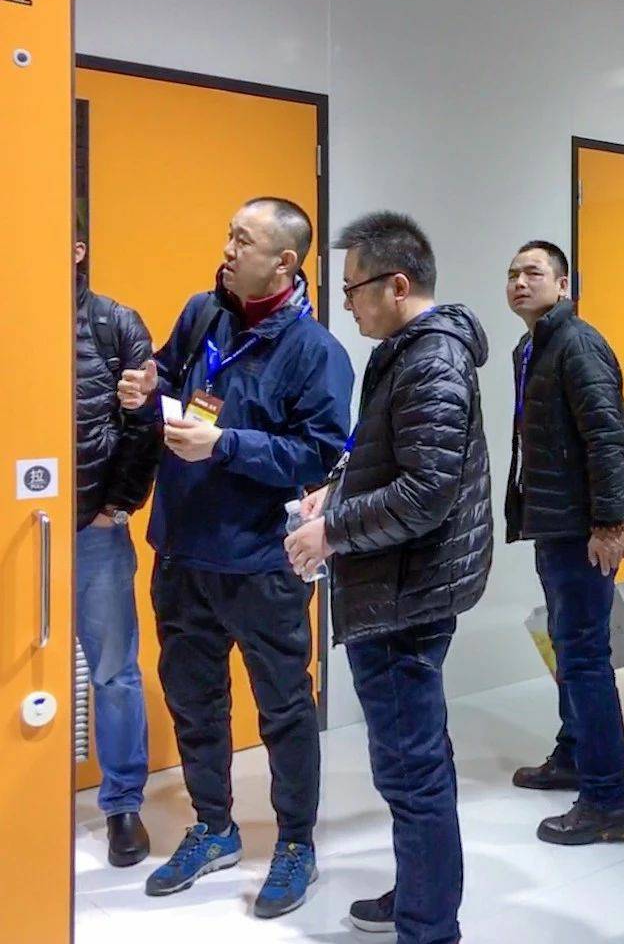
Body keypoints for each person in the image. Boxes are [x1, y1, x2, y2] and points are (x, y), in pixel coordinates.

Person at [117, 197, 354, 917]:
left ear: (284, 262)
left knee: (283, 707)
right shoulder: (203, 313)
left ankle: (296, 843)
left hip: (261, 559)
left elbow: (317, 453)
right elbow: (170, 377)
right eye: (228, 235)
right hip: (183, 549)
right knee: (195, 699)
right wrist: (147, 389)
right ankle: (214, 827)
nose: (226, 249)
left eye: (242, 240)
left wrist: (224, 444)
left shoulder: (317, 352)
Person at [285, 212, 492, 943]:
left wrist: (332, 531)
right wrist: (335, 492)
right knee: (413, 761)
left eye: (353, 289)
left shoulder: (432, 359)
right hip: (396, 584)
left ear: (397, 284)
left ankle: (428, 927)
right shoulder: (405, 352)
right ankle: (419, 898)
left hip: (406, 594)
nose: (346, 303)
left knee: (412, 769)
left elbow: (426, 491)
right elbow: (388, 456)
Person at [505, 240, 624, 844]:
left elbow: (608, 438)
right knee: (567, 647)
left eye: (533, 272)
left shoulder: (577, 344)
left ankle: (608, 799)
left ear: (563, 285)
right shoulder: (532, 347)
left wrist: (610, 524)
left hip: (583, 529)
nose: (519, 282)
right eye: (513, 273)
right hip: (554, 523)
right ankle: (573, 755)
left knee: (584, 657)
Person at [74, 223, 162, 867]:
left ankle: (123, 805)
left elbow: (144, 424)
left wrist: (118, 506)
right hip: (19, 529)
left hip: (93, 533)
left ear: (77, 250)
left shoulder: (114, 324)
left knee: (113, 673)